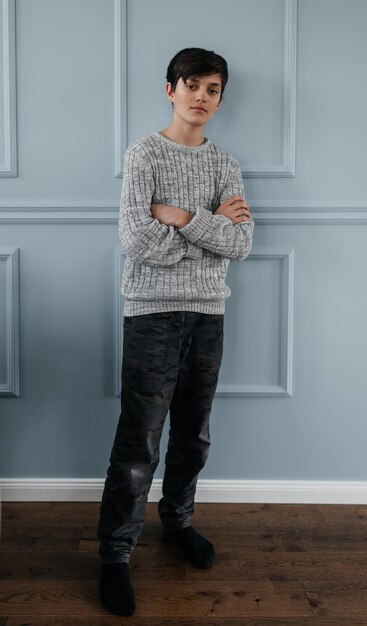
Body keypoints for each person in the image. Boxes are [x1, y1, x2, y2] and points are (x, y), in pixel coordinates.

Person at [97, 47, 254, 616]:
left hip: (208, 314)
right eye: (191, 85)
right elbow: (137, 242)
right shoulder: (144, 154)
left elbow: (240, 245)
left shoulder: (226, 164)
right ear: (170, 89)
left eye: (213, 89)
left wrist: (183, 217)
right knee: (140, 439)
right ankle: (114, 554)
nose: (201, 97)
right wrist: (210, 232)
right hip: (151, 315)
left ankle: (178, 522)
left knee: (194, 433)